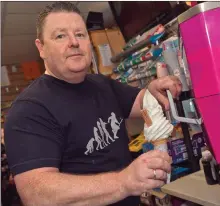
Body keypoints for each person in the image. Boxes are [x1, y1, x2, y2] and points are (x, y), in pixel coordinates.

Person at [4, 2, 182, 206]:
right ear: (41, 48)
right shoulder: (29, 110)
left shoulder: (101, 84)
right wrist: (124, 181)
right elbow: (37, 194)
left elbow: (140, 101)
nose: (73, 42)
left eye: (80, 34)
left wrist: (153, 90)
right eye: (60, 36)